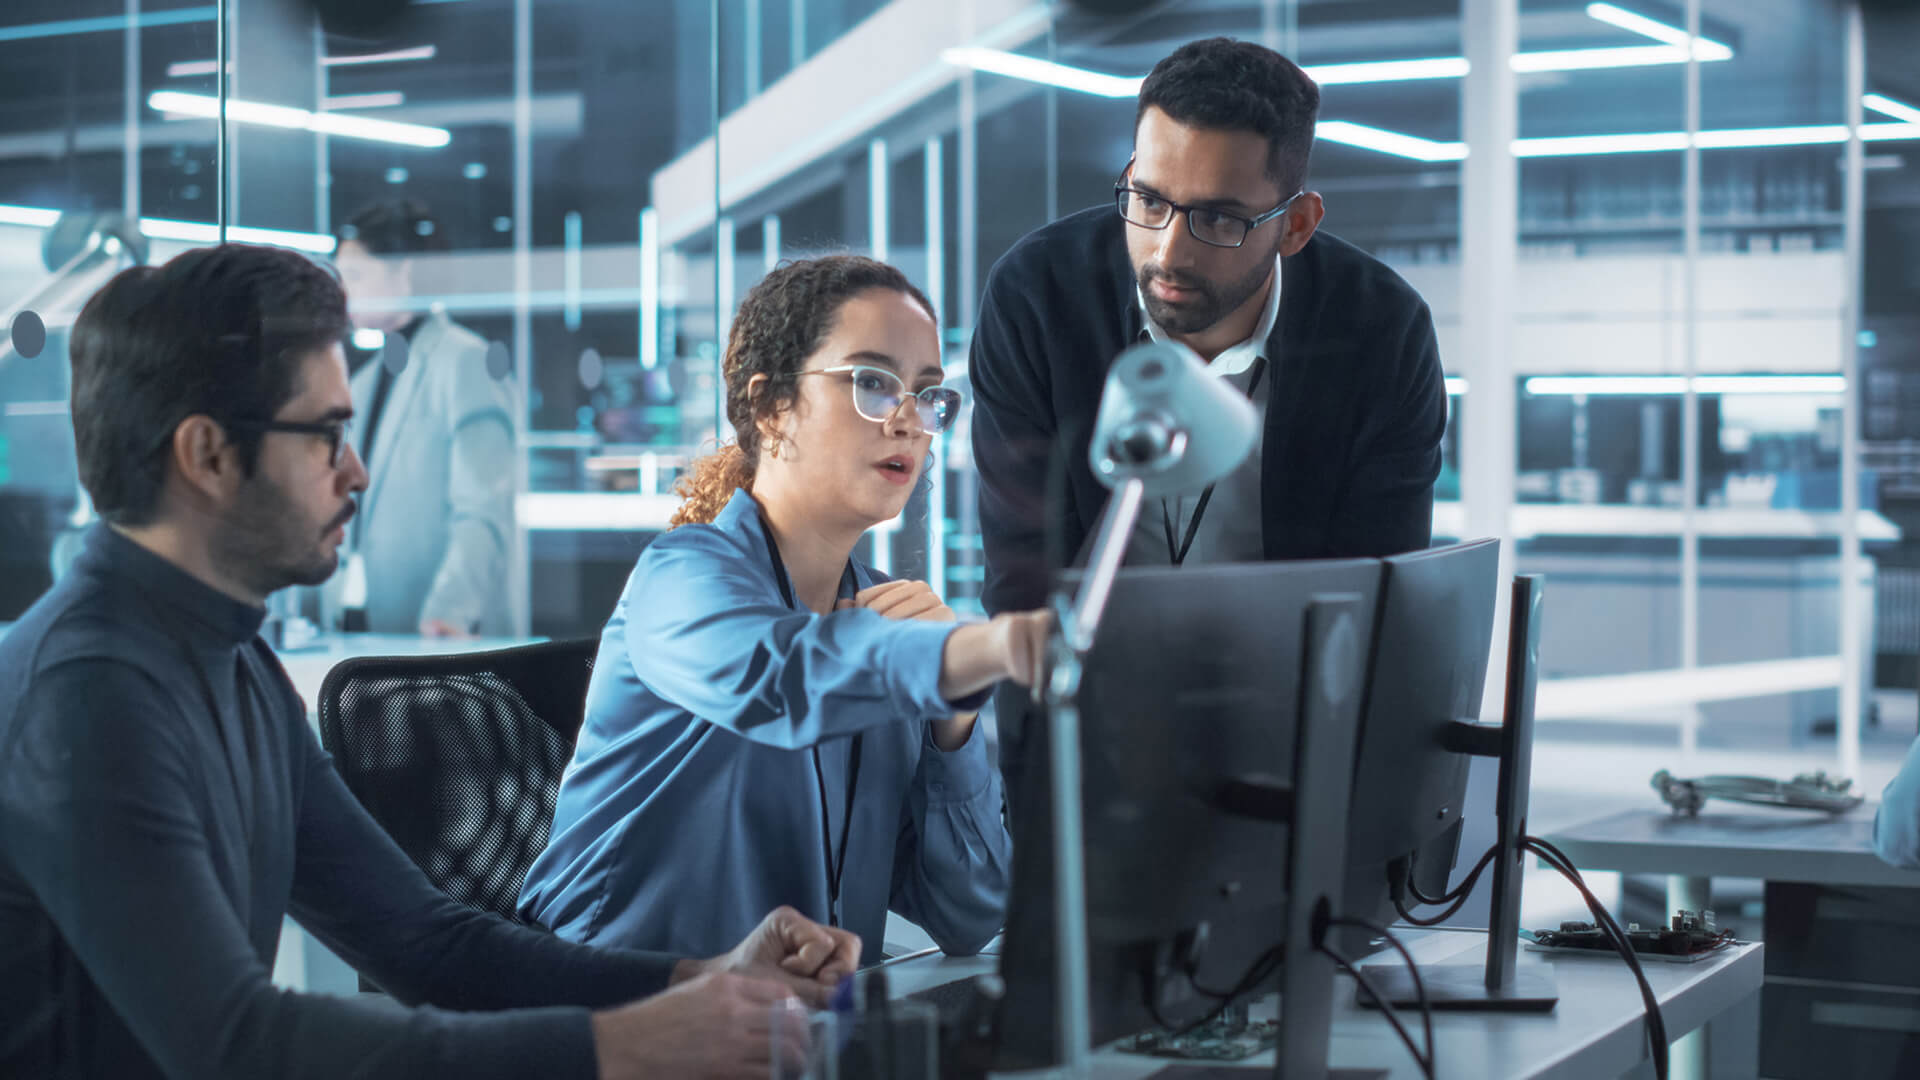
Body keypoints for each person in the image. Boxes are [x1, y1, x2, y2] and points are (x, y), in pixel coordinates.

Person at [0, 243, 860, 1080]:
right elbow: (235, 1046)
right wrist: (624, 1051)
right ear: (207, 455)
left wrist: (698, 982)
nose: (359, 472)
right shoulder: (87, 695)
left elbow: (425, 942)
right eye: (328, 435)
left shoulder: (230, 662)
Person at [519, 255, 1046, 964]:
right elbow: (781, 680)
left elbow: (969, 913)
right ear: (771, 408)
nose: (907, 422)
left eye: (926, 395)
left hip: (794, 1035)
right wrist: (977, 653)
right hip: (620, 1025)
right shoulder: (681, 577)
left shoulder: (886, 615)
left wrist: (954, 722)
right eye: (871, 382)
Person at [968, 37, 1447, 795]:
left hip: (1289, 745)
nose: (1168, 250)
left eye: (1219, 219)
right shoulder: (1037, 297)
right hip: (1080, 730)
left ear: (1296, 225)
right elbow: (1021, 582)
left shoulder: (1381, 333)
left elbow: (1374, 608)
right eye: (1149, 200)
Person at [333, 199, 514, 637]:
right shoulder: (366, 378)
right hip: (363, 625)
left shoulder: (465, 361)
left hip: (435, 633)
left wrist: (447, 613)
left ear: (406, 273)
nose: (344, 292)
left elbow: (483, 512)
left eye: (356, 276)